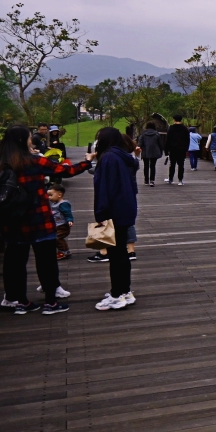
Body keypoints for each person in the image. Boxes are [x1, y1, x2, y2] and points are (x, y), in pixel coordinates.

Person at [0, 125, 93, 315]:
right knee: (46, 261)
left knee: (15, 263)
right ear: (24, 141)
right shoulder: (34, 161)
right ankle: (50, 303)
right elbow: (66, 171)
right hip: (39, 219)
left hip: (12, 220)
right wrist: (87, 162)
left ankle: (20, 301)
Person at [91, 127, 138, 311]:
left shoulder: (109, 158)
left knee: (115, 254)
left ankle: (117, 295)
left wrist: (101, 214)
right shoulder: (122, 155)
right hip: (125, 209)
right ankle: (125, 291)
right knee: (122, 254)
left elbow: (105, 188)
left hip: (113, 211)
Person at [48, 184, 74, 260]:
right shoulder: (55, 204)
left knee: (57, 238)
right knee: (59, 238)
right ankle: (66, 251)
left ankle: (62, 252)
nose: (49, 197)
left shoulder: (63, 204)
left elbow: (67, 213)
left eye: (51, 195)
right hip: (58, 225)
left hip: (63, 225)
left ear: (59, 194)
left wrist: (70, 220)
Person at [165, 114, 190, 185]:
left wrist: (166, 150)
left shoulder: (171, 128)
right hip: (182, 149)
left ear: (174, 120)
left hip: (173, 148)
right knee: (181, 164)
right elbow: (187, 140)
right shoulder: (185, 128)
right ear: (181, 120)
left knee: (172, 164)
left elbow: (168, 140)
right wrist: (186, 149)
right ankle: (180, 180)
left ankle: (171, 179)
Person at [138, 121, 163, 186]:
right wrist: (161, 151)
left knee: (146, 166)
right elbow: (160, 143)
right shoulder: (156, 134)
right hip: (154, 152)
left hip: (145, 151)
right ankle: (152, 180)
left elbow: (140, 143)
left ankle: (146, 180)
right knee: (153, 166)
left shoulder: (143, 134)